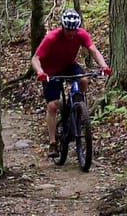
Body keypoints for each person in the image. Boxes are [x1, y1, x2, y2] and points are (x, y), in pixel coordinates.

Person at [31, 9, 110, 155]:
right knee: (53, 105)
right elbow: (35, 58)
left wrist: (103, 66)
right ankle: (53, 143)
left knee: (84, 80)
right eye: (68, 30)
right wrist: (40, 72)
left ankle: (79, 110)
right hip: (51, 70)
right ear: (63, 27)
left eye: (74, 30)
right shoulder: (52, 37)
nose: (71, 34)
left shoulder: (81, 34)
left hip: (68, 65)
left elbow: (93, 50)